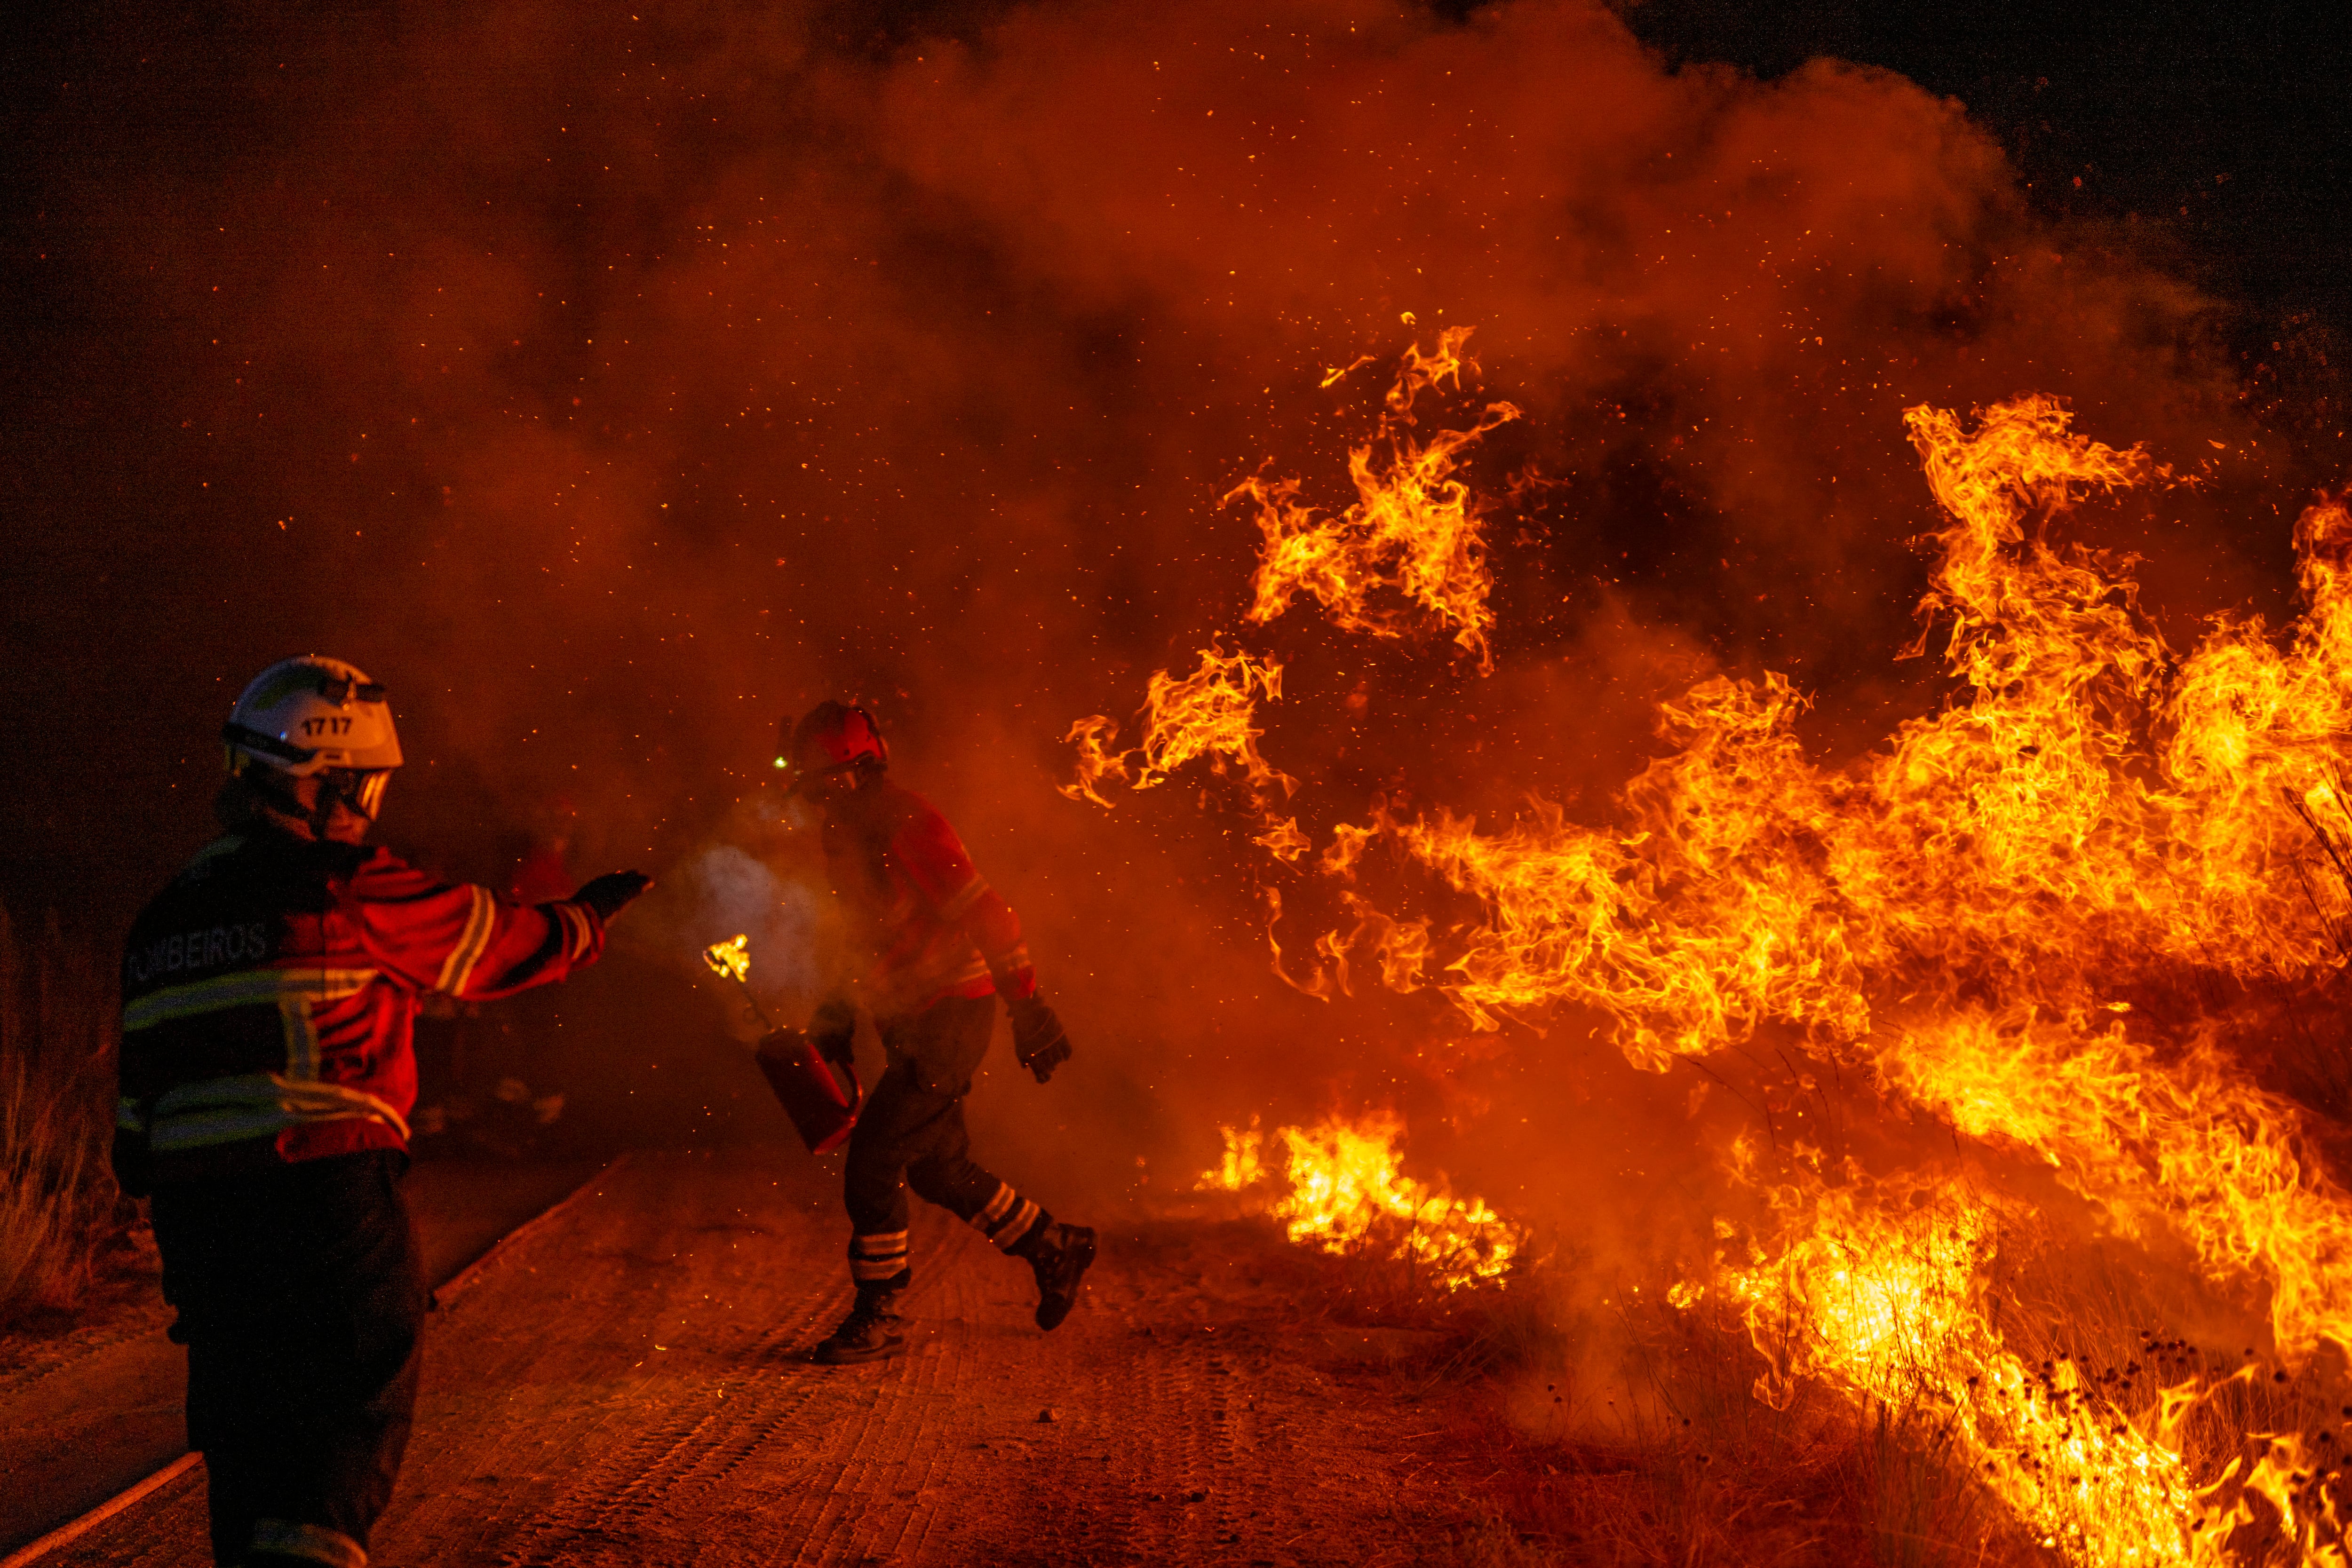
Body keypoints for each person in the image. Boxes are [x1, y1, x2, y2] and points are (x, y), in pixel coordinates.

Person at [113, 655, 651, 1568]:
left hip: (198, 1223)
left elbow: (135, 1120)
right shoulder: (346, 883)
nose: (369, 808)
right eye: (364, 786)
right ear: (324, 779)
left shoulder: (168, 913)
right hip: (324, 1193)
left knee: (248, 1447)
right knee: (343, 1423)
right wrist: (588, 918)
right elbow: (494, 946)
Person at [782, 700, 1094, 1365]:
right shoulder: (845, 831)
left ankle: (881, 1312)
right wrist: (837, 1013)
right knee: (938, 1167)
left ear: (857, 770)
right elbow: (863, 935)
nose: (813, 797)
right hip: (913, 1013)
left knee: (875, 1159)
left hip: (953, 1009)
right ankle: (1054, 1245)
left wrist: (1027, 1004)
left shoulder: (904, 822)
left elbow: (990, 913)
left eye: (822, 782)